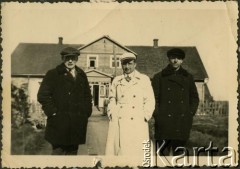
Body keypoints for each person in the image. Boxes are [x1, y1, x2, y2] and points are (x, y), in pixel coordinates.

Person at [37, 47, 92, 155]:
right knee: (58, 156)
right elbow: (42, 95)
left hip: (76, 123)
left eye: (73, 58)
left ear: (77, 59)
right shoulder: (53, 74)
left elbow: (87, 96)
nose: (70, 61)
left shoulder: (81, 75)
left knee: (72, 155)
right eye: (67, 58)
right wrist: (53, 112)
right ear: (63, 59)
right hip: (59, 123)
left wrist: (86, 113)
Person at [105, 52, 155, 161]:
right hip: (119, 120)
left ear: (135, 64)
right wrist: (112, 112)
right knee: (119, 153)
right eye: (124, 64)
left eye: (130, 64)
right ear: (121, 65)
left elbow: (150, 100)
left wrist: (145, 116)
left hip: (137, 120)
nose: (127, 67)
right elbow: (112, 98)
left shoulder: (143, 79)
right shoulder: (117, 80)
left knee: (137, 153)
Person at [152, 48, 199, 156]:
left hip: (181, 122)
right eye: (173, 58)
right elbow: (154, 99)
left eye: (178, 58)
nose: (175, 61)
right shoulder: (159, 77)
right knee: (162, 158)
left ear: (182, 61)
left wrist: (189, 113)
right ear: (169, 59)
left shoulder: (188, 77)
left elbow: (194, 98)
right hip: (164, 124)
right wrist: (158, 116)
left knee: (179, 157)